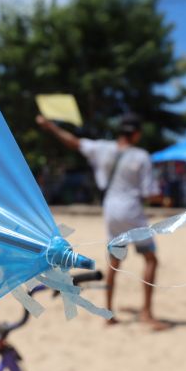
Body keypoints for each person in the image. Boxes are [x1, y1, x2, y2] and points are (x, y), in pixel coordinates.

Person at [36, 112, 163, 327]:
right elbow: (150, 193)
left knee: (114, 263)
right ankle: (146, 313)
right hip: (132, 211)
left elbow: (73, 142)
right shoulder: (140, 156)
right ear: (137, 134)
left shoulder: (102, 148)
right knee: (150, 259)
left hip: (111, 211)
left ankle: (109, 313)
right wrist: (162, 198)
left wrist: (49, 126)